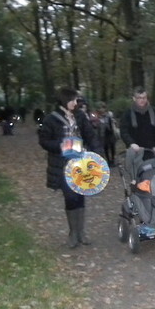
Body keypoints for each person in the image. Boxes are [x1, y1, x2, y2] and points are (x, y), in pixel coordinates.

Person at [38, 87, 102, 248]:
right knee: (70, 196)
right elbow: (44, 141)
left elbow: (90, 135)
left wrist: (98, 154)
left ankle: (81, 232)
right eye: (72, 100)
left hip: (81, 163)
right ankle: (73, 232)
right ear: (64, 101)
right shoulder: (51, 119)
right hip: (63, 164)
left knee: (80, 195)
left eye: (76, 100)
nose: (75, 103)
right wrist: (62, 145)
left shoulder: (80, 116)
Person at [119, 87, 155, 179]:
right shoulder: (128, 113)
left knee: (153, 177)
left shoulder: (154, 112)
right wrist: (131, 143)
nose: (142, 100)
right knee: (137, 177)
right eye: (139, 98)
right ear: (134, 98)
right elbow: (124, 131)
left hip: (152, 150)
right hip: (136, 150)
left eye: (144, 98)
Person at [93, 101, 118, 166]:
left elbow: (113, 122)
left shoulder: (109, 114)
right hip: (102, 135)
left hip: (110, 133)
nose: (102, 109)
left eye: (103, 108)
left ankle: (113, 160)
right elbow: (95, 126)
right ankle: (108, 161)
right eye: (100, 108)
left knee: (112, 147)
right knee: (105, 147)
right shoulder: (96, 116)